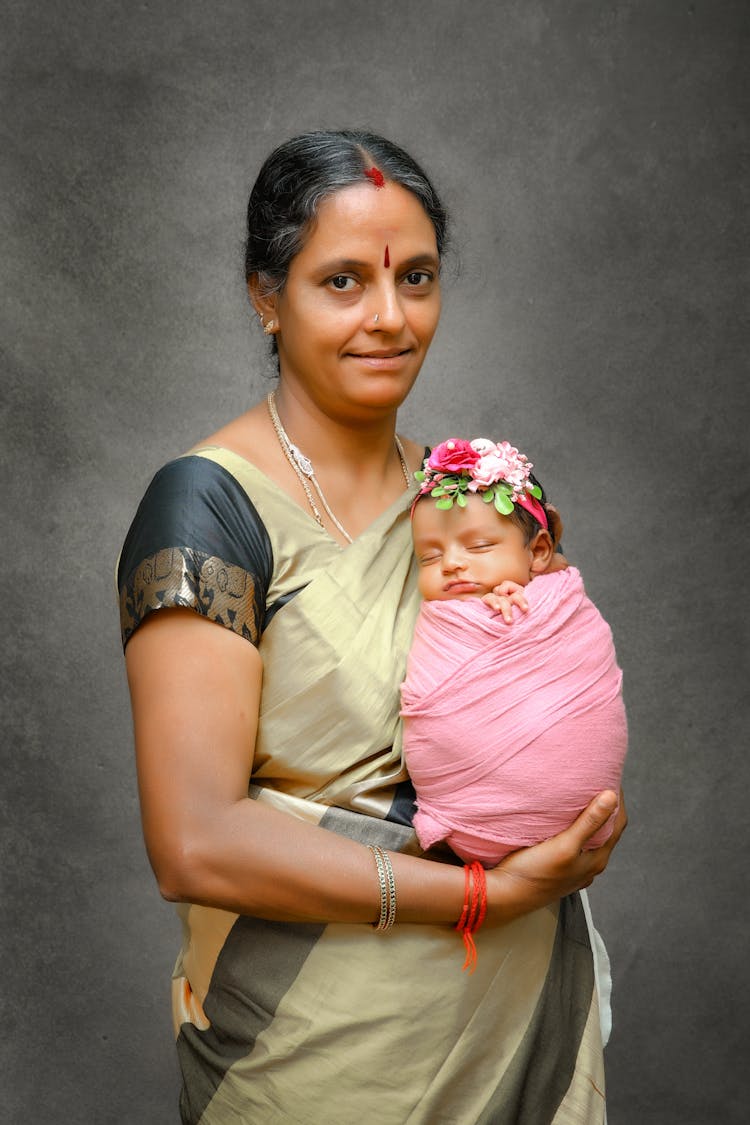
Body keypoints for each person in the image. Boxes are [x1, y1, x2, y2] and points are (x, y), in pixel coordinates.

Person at [117, 129, 626, 1125]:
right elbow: (195, 843)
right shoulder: (207, 510)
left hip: (516, 1031)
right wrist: (485, 896)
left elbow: (560, 693)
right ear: (268, 296)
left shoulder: (465, 506)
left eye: (418, 278)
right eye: (342, 282)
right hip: (320, 1062)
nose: (390, 319)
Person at [402, 436, 628, 866]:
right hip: (465, 822)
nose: (450, 563)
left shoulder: (553, 601)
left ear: (539, 552)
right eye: (429, 557)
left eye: (479, 547)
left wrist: (531, 605)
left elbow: (573, 655)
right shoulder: (444, 620)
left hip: (578, 813)